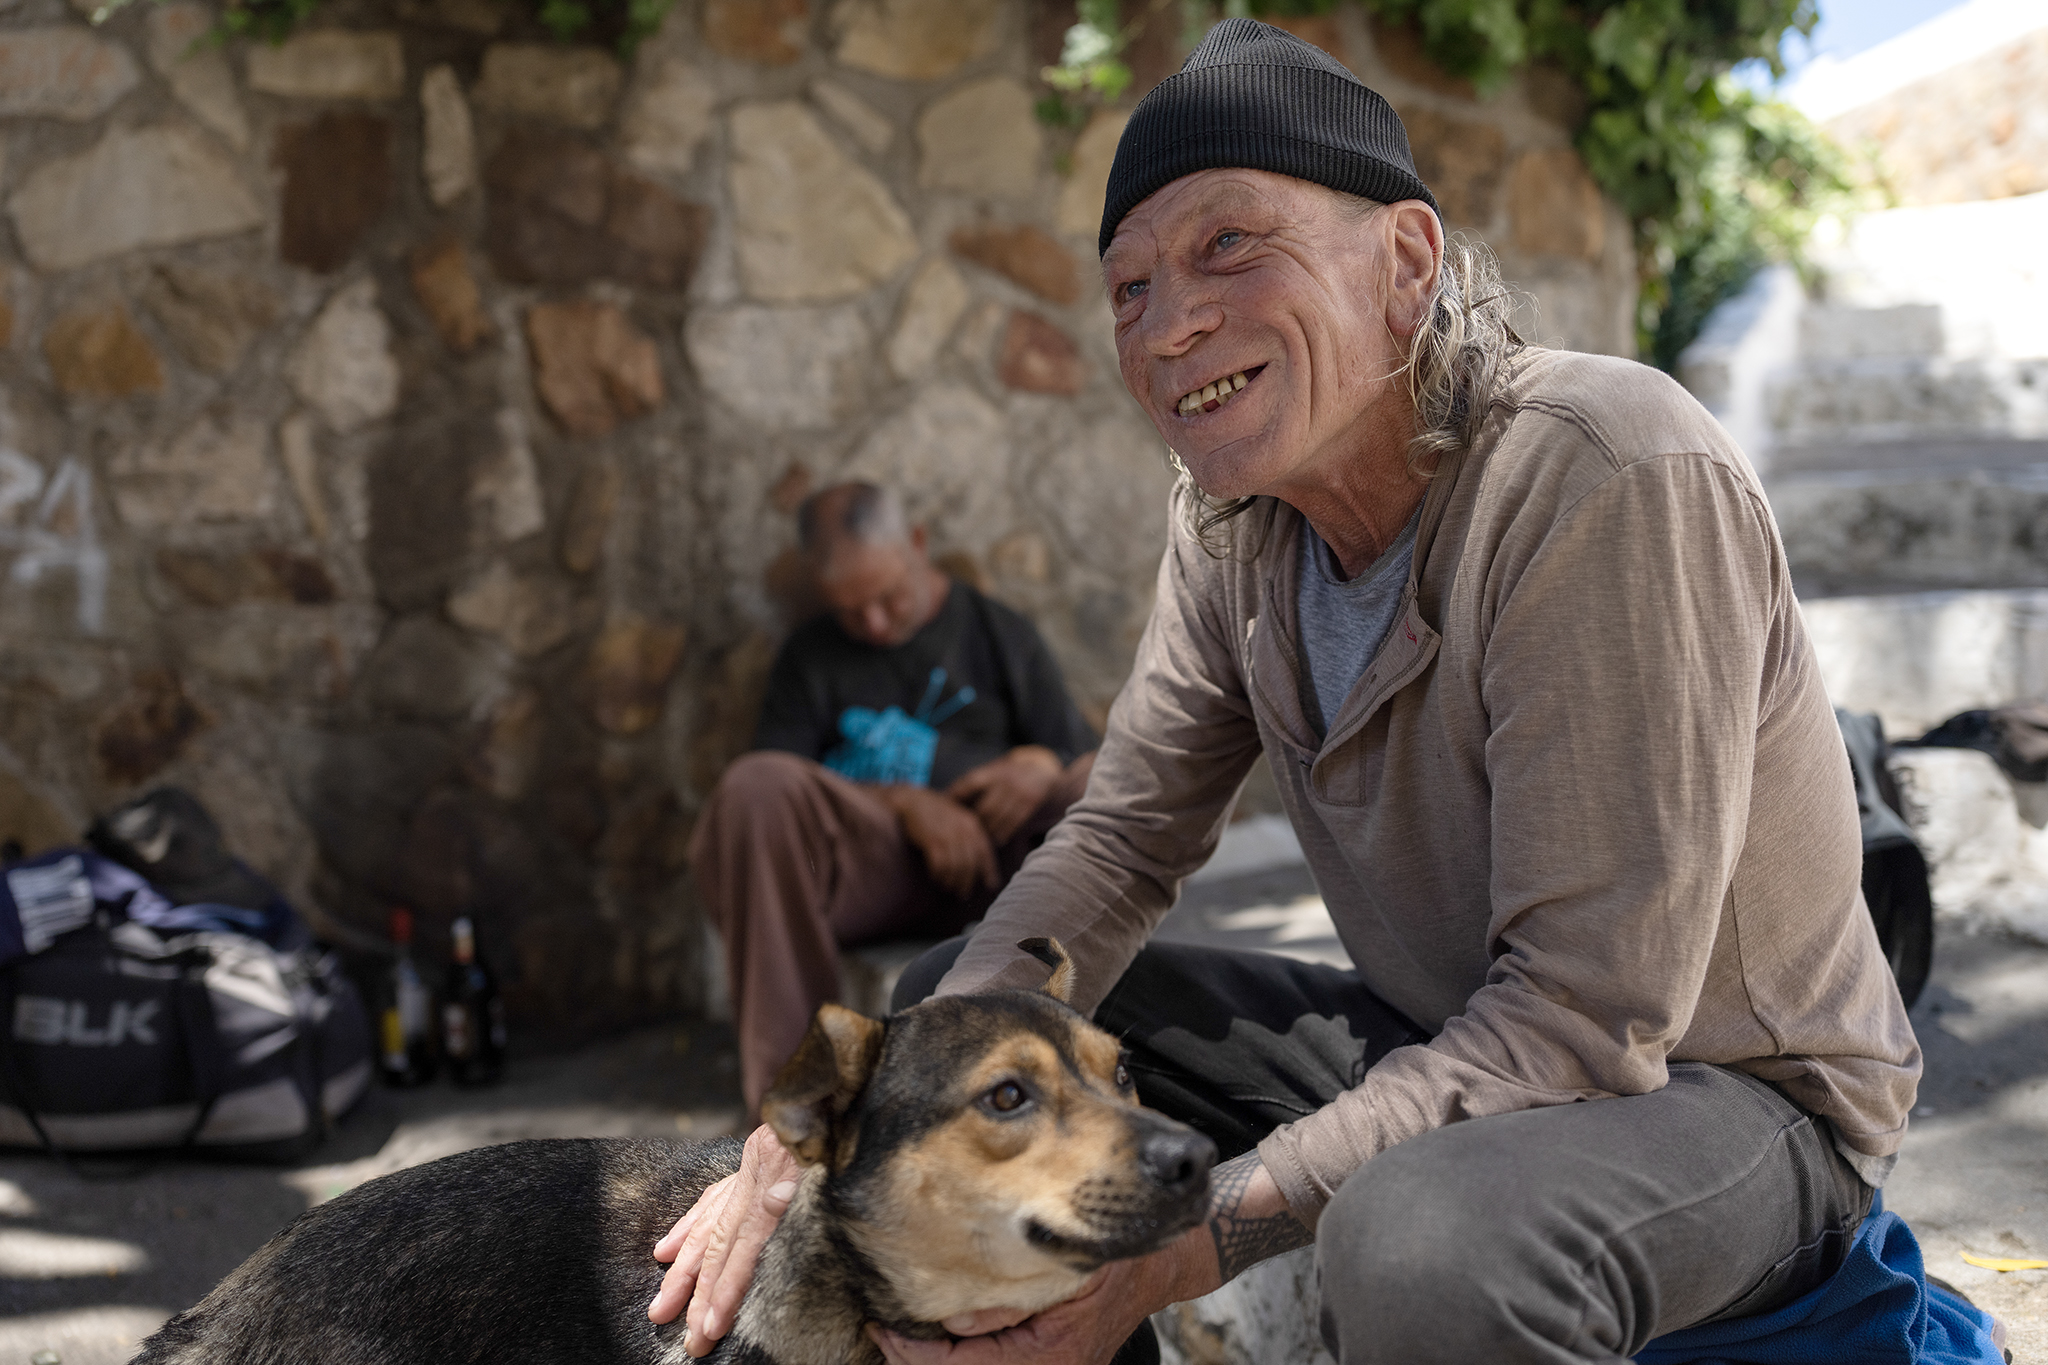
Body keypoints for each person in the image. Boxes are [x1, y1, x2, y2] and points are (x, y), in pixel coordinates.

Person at [652, 21, 1921, 1364]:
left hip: (1725, 1096)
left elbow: (1578, 1016)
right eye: (1129, 287)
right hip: (1450, 1037)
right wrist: (834, 1120)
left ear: (1407, 262)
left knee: (1419, 1242)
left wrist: (1177, 1255)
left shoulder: (1604, 471)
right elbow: (1122, 837)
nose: (1170, 323)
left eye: (1229, 247)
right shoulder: (1230, 527)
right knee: (967, 1041)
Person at [689, 481, 1097, 1115]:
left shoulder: (995, 631)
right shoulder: (811, 657)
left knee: (1098, 781)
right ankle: (797, 1116)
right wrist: (906, 804)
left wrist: (1040, 766)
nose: (874, 625)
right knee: (755, 786)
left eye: (888, 598)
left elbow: (1079, 753)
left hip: (1002, 862)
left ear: (917, 545)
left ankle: (1099, 1063)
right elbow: (778, 790)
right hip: (871, 873)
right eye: (852, 611)